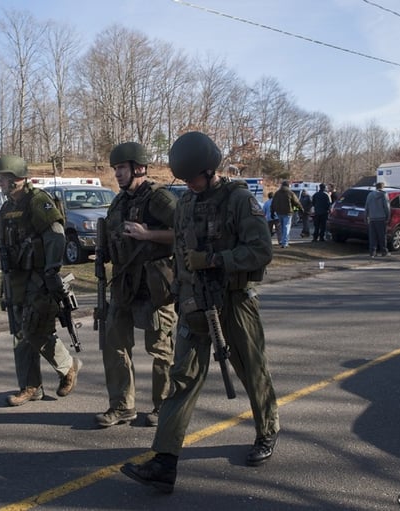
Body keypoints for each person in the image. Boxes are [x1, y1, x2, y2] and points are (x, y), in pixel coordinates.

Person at [121, 131, 279, 494]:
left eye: (193, 177)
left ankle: (267, 430)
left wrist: (213, 259)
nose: (189, 184)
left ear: (210, 170)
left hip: (235, 302)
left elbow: (261, 250)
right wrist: (180, 292)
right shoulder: (186, 204)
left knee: (252, 369)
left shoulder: (238, 200)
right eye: (185, 179)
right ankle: (164, 462)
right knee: (182, 378)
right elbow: (180, 253)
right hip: (195, 302)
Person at [96, 142, 176, 428]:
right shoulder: (119, 202)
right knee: (114, 345)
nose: (117, 174)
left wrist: (149, 234)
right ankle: (121, 406)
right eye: (115, 168)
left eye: (122, 168)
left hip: (154, 286)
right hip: (123, 283)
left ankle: (164, 406)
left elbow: (186, 231)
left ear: (139, 168)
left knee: (160, 349)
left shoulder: (159, 199)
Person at [0, 155, 82, 406]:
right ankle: (31, 386)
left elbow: (56, 236)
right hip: (15, 278)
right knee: (20, 333)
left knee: (35, 329)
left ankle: (68, 366)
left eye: (3, 178)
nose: (0, 183)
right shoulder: (7, 208)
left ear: (16, 179)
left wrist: (51, 271)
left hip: (38, 278)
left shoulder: (37, 201)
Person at [270, 180, 303, 248]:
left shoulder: (277, 193)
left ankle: (283, 241)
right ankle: (285, 243)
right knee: (286, 227)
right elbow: (296, 202)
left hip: (279, 212)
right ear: (288, 185)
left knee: (282, 227)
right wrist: (300, 209)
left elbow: (273, 203)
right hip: (288, 212)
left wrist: (272, 212)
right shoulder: (290, 193)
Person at [364, 182, 391, 257]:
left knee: (372, 236)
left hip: (372, 218)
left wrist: (365, 217)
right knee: (382, 236)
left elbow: (366, 206)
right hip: (381, 218)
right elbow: (387, 207)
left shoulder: (369, 195)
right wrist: (388, 217)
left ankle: (372, 252)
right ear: (382, 187)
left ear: (376, 187)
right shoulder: (384, 195)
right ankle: (383, 251)